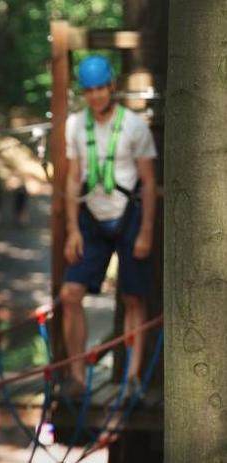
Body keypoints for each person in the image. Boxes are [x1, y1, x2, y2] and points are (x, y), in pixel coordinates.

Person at [61, 55, 157, 393]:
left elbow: (148, 181)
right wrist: (72, 229)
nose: (96, 95)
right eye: (89, 90)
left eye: (101, 88)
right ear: (83, 93)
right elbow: (73, 178)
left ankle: (131, 377)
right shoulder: (75, 125)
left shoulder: (134, 125)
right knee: (70, 294)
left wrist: (146, 231)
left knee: (133, 297)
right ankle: (75, 377)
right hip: (91, 217)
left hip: (128, 216)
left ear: (111, 86)